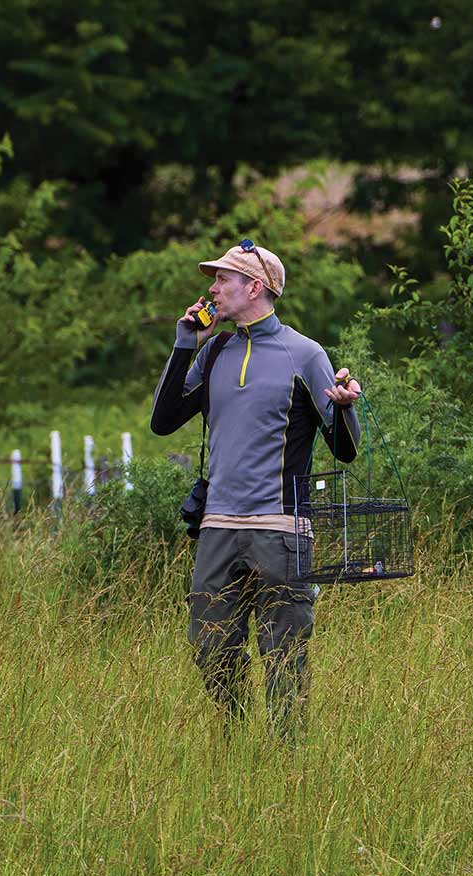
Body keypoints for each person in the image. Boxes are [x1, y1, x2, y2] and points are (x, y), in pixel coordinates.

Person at [150, 239, 361, 735]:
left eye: (223, 279)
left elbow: (344, 448)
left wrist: (347, 408)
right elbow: (163, 421)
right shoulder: (217, 348)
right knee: (208, 646)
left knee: (284, 655)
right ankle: (237, 741)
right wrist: (185, 339)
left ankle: (286, 759)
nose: (212, 287)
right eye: (215, 278)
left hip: (281, 527)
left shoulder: (305, 354)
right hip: (218, 524)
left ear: (255, 287)